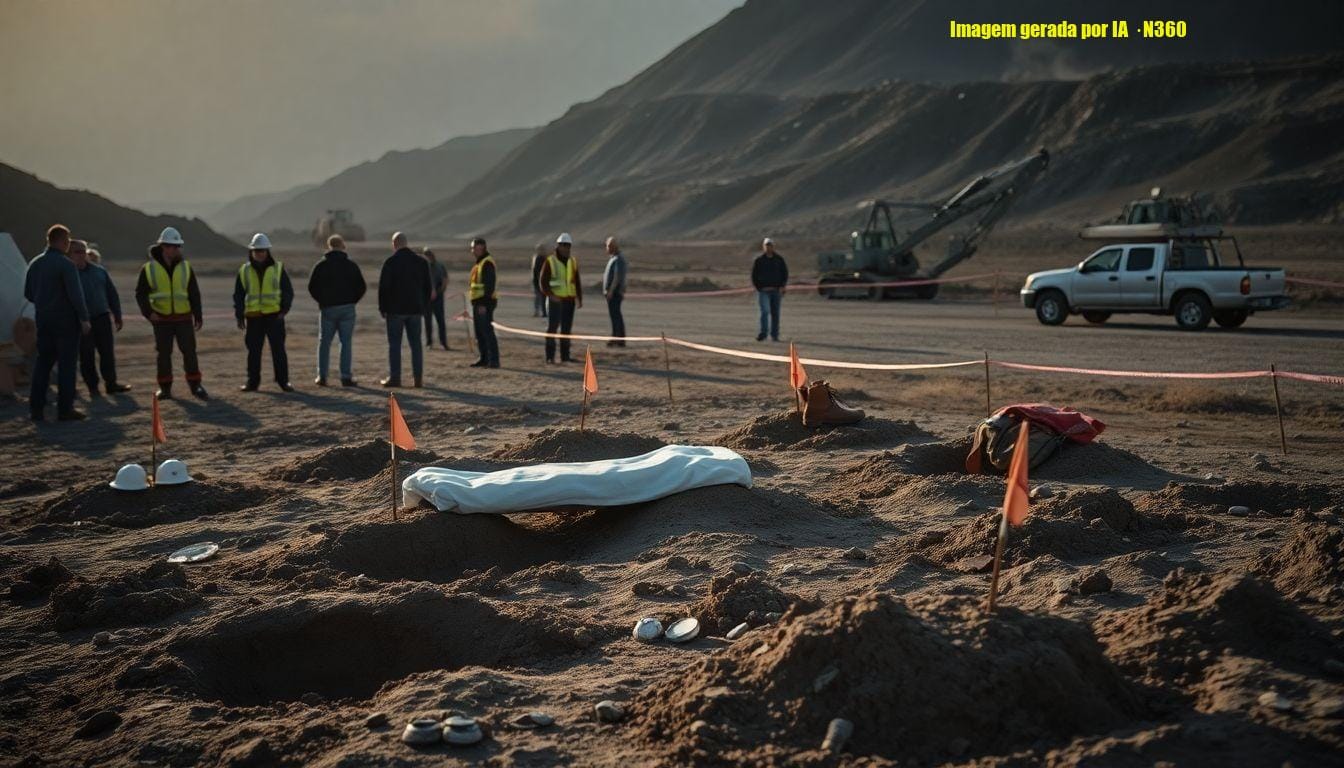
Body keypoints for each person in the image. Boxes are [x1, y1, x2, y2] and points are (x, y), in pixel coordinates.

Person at [24, 224, 90, 421]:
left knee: (42, 364)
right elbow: (76, 296)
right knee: (67, 366)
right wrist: (84, 318)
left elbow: (28, 293)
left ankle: (36, 409)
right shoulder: (66, 264)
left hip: (43, 320)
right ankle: (65, 409)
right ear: (64, 241)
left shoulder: (35, 263)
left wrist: (44, 304)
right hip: (66, 322)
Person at [135, 227, 207, 400]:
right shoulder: (149, 268)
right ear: (162, 246)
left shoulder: (185, 267)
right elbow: (140, 293)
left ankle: (195, 385)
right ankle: (165, 388)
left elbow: (194, 292)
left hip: (183, 318)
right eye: (171, 246)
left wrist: (198, 315)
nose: (174, 249)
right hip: (161, 319)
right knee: (164, 354)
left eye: (177, 246)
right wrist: (148, 313)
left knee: (189, 352)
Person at [232, 233, 294, 392]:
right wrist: (239, 315)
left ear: (267, 251)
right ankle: (252, 382)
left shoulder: (278, 268)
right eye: (257, 250)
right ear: (252, 251)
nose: (260, 253)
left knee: (278, 350)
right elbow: (238, 294)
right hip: (254, 318)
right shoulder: (244, 270)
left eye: (263, 250)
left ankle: (283, 382)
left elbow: (287, 291)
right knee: (253, 352)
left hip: (274, 316)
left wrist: (284, 310)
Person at [70, 239, 130, 398]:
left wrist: (117, 314)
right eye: (77, 252)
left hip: (102, 317)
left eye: (83, 251)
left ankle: (111, 384)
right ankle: (93, 388)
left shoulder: (99, 271)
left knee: (107, 353)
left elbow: (111, 294)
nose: (82, 255)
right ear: (69, 254)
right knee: (86, 355)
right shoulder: (67, 275)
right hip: (82, 321)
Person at [307, 234, 365, 386]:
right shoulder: (351, 265)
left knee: (324, 343)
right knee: (345, 343)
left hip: (328, 309)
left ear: (329, 246)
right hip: (347, 308)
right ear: (343, 246)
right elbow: (361, 287)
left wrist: (322, 301)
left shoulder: (321, 265)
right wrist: (352, 301)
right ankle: (345, 377)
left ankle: (322, 376)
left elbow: (312, 287)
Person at [378, 231, 432, 387]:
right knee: (416, 345)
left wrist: (383, 307)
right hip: (415, 309)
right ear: (406, 243)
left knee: (395, 345)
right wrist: (424, 305)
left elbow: (384, 288)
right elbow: (428, 287)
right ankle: (418, 379)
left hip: (395, 310)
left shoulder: (390, 262)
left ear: (394, 244)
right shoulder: (421, 262)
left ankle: (395, 378)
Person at [537, 232, 582, 363]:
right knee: (552, 328)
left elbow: (576, 280)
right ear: (558, 246)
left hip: (569, 300)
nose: (565, 248)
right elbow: (543, 282)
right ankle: (550, 357)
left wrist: (579, 298)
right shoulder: (550, 261)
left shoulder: (572, 261)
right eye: (563, 245)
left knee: (566, 329)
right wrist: (551, 295)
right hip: (555, 301)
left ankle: (565, 356)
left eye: (568, 245)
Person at [467, 237, 499, 368]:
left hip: (484, 303)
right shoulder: (479, 263)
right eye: (473, 248)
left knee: (487, 331)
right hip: (478, 302)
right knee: (479, 332)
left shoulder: (487, 263)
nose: (473, 250)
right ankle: (484, 358)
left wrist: (483, 304)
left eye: (476, 248)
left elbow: (489, 286)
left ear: (482, 248)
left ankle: (494, 360)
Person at [751, 237, 788, 342]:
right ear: (764, 247)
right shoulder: (759, 260)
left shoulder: (779, 260)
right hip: (763, 291)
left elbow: (784, 273)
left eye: (770, 245)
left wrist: (783, 286)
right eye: (767, 245)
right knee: (765, 312)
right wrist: (758, 287)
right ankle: (763, 333)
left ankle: (775, 335)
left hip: (776, 290)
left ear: (773, 246)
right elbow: (754, 275)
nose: (768, 247)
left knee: (775, 313)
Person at [422, 247, 450, 350]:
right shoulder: (423, 266)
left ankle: (443, 342)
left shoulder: (439, 266)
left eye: (428, 254)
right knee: (427, 321)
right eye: (426, 254)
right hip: (427, 297)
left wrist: (439, 291)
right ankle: (429, 342)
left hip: (438, 297)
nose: (427, 256)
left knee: (440, 321)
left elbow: (445, 279)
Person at [602, 236, 627, 347]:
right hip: (613, 292)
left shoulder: (618, 259)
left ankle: (618, 338)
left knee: (615, 315)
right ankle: (618, 337)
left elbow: (617, 277)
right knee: (615, 315)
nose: (606, 248)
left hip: (615, 293)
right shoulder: (614, 258)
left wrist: (611, 291)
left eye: (607, 246)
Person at [530, 242, 548, 318]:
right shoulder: (537, 258)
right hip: (537, 281)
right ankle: (538, 311)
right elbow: (535, 271)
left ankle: (543, 312)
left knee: (543, 297)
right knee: (538, 297)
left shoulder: (544, 259)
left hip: (543, 281)